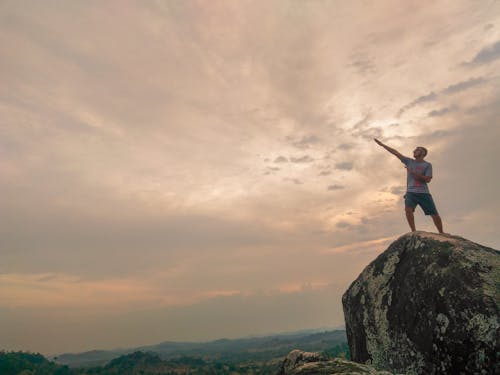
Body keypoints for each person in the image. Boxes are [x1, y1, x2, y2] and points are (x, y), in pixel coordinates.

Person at [374, 138, 444, 234]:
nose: (414, 151)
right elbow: (396, 153)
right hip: (411, 192)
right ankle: (413, 232)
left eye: (417, 150)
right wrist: (382, 145)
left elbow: (428, 179)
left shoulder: (427, 165)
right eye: (414, 150)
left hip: (424, 193)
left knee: (434, 214)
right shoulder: (409, 162)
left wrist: (412, 173)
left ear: (423, 153)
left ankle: (441, 232)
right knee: (408, 210)